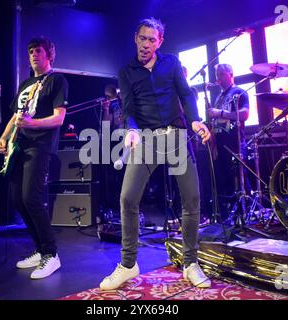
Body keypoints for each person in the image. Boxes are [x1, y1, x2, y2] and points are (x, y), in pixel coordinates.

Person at [99, 17, 211, 291]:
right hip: (146, 139)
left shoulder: (171, 63)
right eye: (142, 38)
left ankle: (190, 263)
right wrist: (132, 130)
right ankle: (128, 265)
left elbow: (186, 95)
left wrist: (195, 119)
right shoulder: (126, 72)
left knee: (192, 197)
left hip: (175, 135)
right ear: (135, 39)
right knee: (127, 198)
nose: (146, 44)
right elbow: (129, 110)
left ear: (160, 42)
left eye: (152, 39)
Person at [0, 37, 68, 279]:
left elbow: (59, 119)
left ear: (49, 55)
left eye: (38, 51)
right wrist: (4, 137)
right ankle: (39, 250)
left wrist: (32, 124)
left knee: (32, 198)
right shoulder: (26, 83)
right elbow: (16, 117)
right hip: (20, 145)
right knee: (18, 200)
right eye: (30, 52)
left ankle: (51, 254)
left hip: (40, 146)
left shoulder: (57, 80)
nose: (33, 55)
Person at [208, 63, 249, 216]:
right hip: (219, 143)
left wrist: (220, 113)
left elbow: (244, 115)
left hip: (234, 142)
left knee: (238, 177)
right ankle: (226, 213)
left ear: (230, 74)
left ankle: (245, 211)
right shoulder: (219, 96)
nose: (217, 78)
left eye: (221, 74)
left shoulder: (239, 92)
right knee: (223, 179)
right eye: (217, 75)